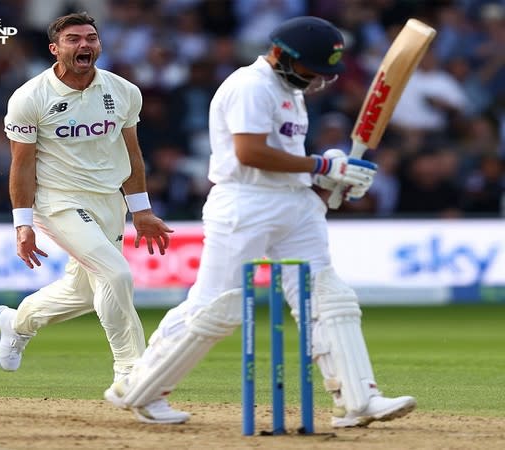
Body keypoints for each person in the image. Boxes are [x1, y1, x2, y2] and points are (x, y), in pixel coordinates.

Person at [105, 16, 416, 428]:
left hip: (294, 204)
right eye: (312, 69)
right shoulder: (250, 86)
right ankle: (141, 387)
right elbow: (250, 153)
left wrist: (327, 174)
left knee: (328, 296)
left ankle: (358, 397)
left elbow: (286, 155)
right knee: (215, 306)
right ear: (282, 55)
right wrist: (322, 163)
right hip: (245, 203)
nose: (317, 80)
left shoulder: (290, 88)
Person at [0, 12, 189, 424]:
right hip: (57, 202)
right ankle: (134, 377)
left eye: (91, 38)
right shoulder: (30, 97)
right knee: (116, 275)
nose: (85, 45)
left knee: (85, 291)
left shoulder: (124, 91)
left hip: (107, 202)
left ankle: (17, 322)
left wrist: (142, 210)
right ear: (55, 48)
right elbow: (22, 166)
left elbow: (131, 154)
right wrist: (22, 222)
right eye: (74, 39)